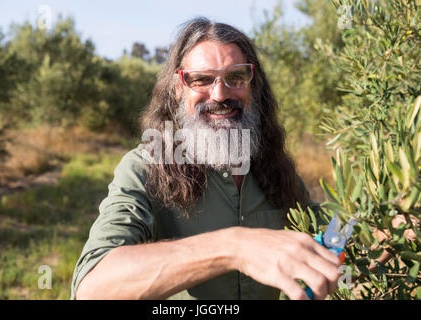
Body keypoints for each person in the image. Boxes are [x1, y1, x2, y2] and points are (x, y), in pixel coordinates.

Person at [71, 17, 342, 300]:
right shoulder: (145, 168)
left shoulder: (272, 165)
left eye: (236, 77)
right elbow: (93, 288)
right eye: (201, 79)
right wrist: (234, 247)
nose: (220, 94)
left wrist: (382, 229)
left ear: (253, 85)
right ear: (178, 88)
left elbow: (325, 239)